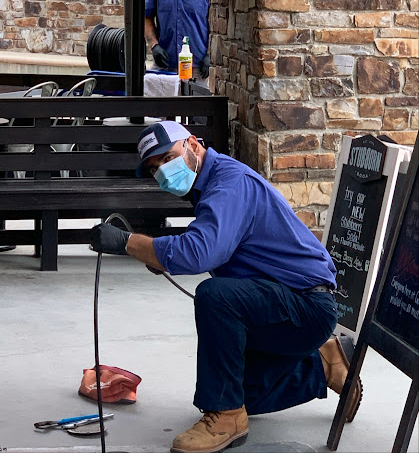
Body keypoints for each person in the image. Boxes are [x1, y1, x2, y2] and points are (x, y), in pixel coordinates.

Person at [90, 121, 363, 453]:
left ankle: (227, 417)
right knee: (237, 390)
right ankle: (323, 364)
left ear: (192, 144)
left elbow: (200, 252)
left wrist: (127, 242)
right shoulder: (211, 185)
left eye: (167, 157)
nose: (162, 171)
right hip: (282, 303)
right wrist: (158, 254)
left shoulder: (229, 183)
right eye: (154, 168)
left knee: (215, 298)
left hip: (306, 306)